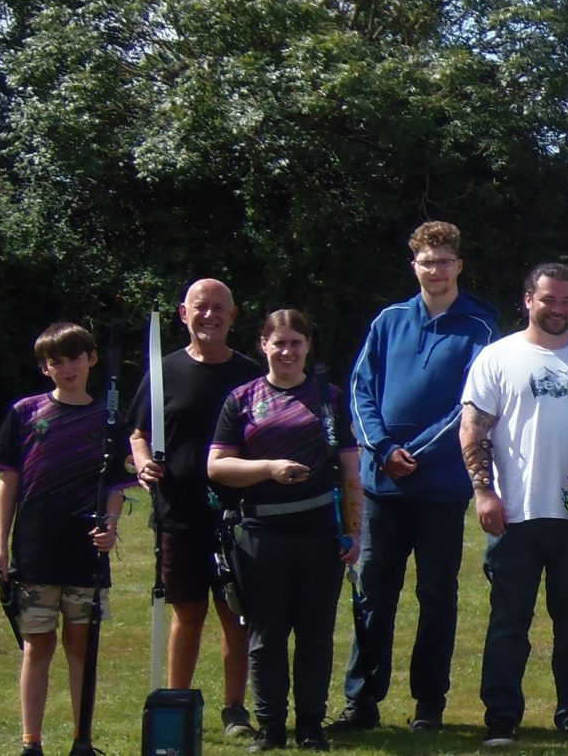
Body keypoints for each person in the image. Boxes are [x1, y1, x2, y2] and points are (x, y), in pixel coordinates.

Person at [334, 221, 499, 733]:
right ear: (415, 266)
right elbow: (360, 390)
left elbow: (471, 404)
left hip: (442, 488)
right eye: (427, 262)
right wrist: (382, 449)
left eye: (445, 261)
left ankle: (429, 704)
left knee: (437, 597)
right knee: (373, 595)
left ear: (459, 266)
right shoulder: (388, 321)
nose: (436, 270)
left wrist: (419, 451)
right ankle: (362, 701)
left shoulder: (480, 325)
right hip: (384, 487)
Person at [460, 263, 568, 748]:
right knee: (509, 621)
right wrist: (484, 491)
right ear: (528, 299)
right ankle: (501, 717)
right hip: (515, 513)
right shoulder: (497, 357)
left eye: (567, 301)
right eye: (549, 300)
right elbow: (474, 429)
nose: (558, 310)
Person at [207, 309, 363, 751]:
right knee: (266, 635)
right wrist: (268, 468)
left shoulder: (328, 397)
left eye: (296, 342)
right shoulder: (242, 398)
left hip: (319, 534)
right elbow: (217, 466)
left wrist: (354, 531)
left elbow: (351, 471)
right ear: (263, 345)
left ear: (308, 346)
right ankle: (272, 726)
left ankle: (312, 725)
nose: (287, 351)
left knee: (315, 635)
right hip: (261, 533)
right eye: (279, 342)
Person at [0, 323, 130, 756]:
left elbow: (118, 486)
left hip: (85, 553)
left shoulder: (109, 419)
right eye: (56, 361)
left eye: (74, 357)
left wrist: (110, 526)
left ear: (92, 359)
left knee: (81, 646)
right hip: (36, 549)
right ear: (45, 368)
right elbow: (8, 481)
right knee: (37, 644)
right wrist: (1, 548)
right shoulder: (26, 413)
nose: (67, 367)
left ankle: (82, 739)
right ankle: (32, 742)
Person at [128, 278, 263, 737]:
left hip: (237, 514)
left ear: (233, 315)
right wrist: (144, 463)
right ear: (184, 314)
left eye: (219, 308)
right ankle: (177, 702)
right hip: (178, 514)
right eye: (200, 308)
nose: (210, 315)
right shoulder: (163, 372)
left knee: (235, 613)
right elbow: (139, 432)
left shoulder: (250, 375)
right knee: (187, 612)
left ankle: (234, 710)